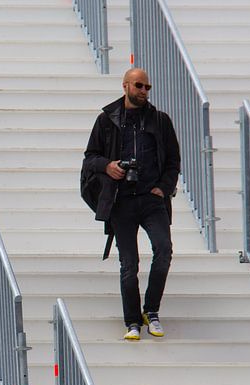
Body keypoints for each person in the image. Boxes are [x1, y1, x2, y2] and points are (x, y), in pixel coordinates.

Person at [80, 68, 181, 341]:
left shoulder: (160, 121)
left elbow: (173, 161)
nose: (144, 91)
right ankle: (132, 321)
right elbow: (90, 158)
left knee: (164, 250)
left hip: (152, 199)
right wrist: (108, 166)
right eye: (139, 85)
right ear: (125, 86)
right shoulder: (106, 120)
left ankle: (152, 311)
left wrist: (164, 187)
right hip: (121, 200)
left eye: (148, 87)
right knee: (129, 263)